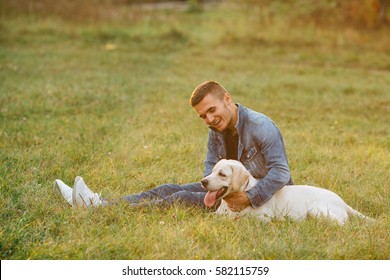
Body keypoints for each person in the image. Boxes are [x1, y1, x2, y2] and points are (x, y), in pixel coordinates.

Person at [54, 81, 293, 212]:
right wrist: (214, 192)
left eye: (212, 110)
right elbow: (210, 169)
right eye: (202, 116)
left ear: (227, 99)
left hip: (263, 198)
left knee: (179, 197)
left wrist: (249, 197)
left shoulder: (261, 126)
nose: (209, 119)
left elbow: (282, 173)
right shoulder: (215, 130)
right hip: (226, 190)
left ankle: (99, 210)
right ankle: (98, 201)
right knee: (168, 188)